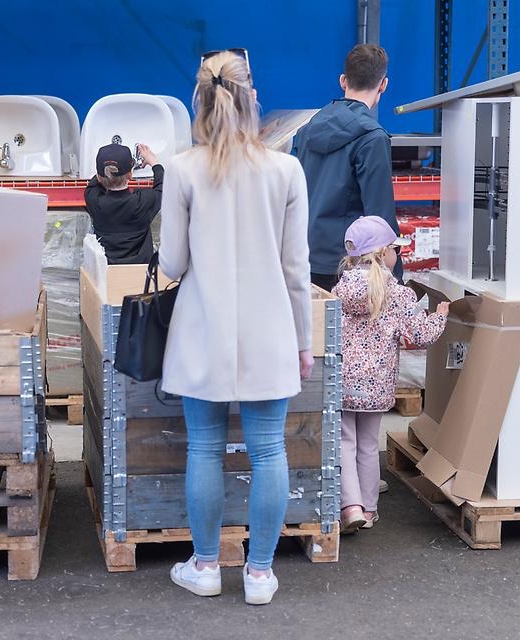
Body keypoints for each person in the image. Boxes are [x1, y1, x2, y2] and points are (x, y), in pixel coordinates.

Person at [159, 49, 312, 606]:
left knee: (203, 448)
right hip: (270, 329)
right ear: (253, 97)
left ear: (199, 100)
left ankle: (204, 566)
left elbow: (172, 264)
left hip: (202, 330)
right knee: (269, 450)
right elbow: (297, 269)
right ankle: (260, 574)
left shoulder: (182, 169)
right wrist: (304, 342)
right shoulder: (285, 170)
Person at [332, 216, 447, 533]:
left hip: (341, 381)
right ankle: (369, 510)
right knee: (369, 445)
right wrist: (440, 316)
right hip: (377, 384)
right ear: (383, 254)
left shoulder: (340, 291)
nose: (398, 255)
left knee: (344, 442)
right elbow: (421, 335)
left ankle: (350, 505)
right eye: (395, 249)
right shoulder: (397, 295)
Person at [292, 43, 402, 291]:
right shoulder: (373, 138)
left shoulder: (305, 131)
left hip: (303, 260)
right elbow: (379, 216)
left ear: (343, 80)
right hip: (350, 267)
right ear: (383, 84)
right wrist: (397, 278)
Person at [84, 142, 162, 264]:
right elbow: (163, 186)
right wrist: (154, 162)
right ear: (130, 174)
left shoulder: (93, 199)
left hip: (106, 274)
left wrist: (107, 171)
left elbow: (95, 182)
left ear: (99, 176)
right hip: (139, 273)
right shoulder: (143, 201)